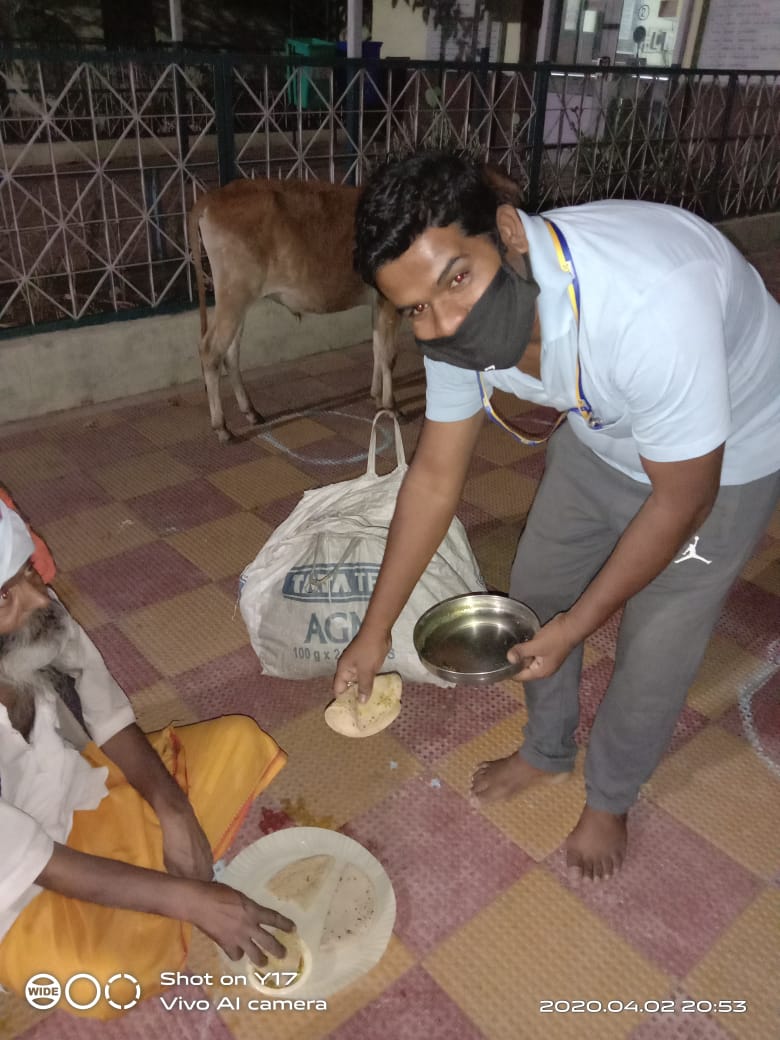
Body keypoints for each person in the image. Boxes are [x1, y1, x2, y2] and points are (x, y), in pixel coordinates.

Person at [333, 151, 780, 882]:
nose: (446, 323)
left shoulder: (648, 306)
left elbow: (683, 500)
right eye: (415, 308)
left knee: (657, 637)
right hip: (603, 434)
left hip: (728, 460)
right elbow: (435, 478)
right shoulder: (447, 326)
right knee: (534, 600)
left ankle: (611, 795)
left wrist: (583, 623)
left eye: (457, 280)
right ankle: (546, 748)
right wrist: (373, 630)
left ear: (508, 233)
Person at [0, 499, 294, 1018]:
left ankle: (150, 886)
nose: (40, 599)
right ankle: (153, 897)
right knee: (103, 979)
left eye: (29, 572)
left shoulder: (34, 616)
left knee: (238, 742)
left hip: (76, 791)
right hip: (21, 884)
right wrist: (189, 901)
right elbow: (31, 858)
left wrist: (172, 807)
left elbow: (105, 712)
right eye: (5, 596)